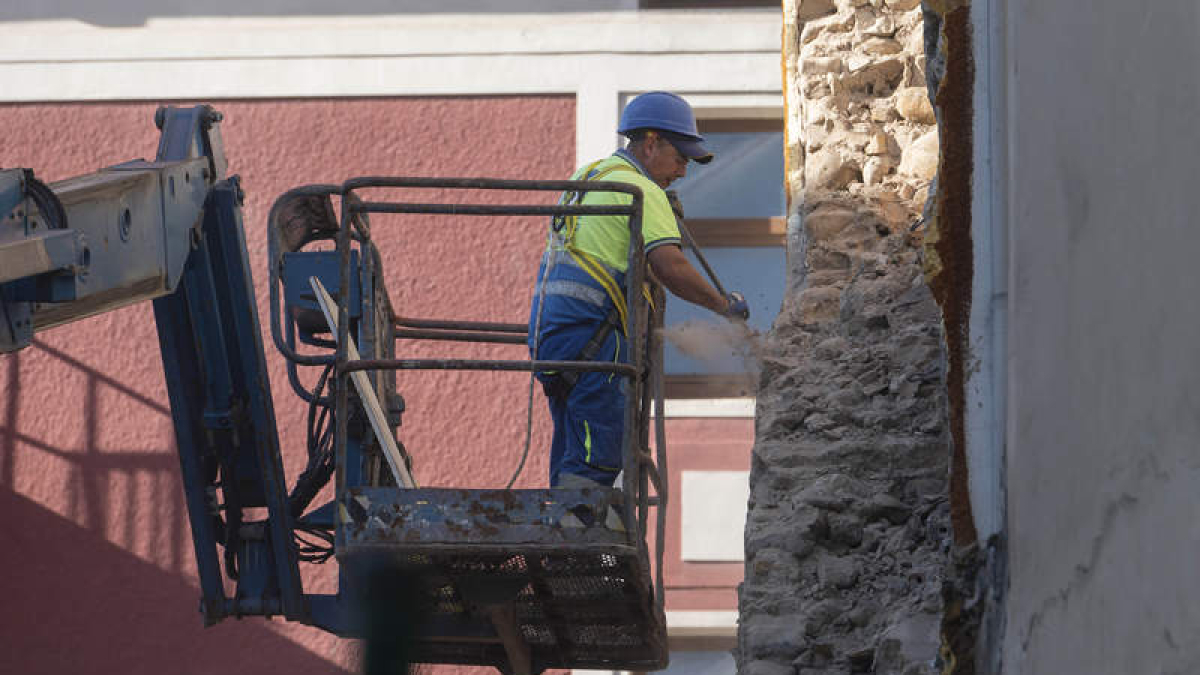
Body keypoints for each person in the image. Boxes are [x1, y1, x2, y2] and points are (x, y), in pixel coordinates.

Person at [528, 91, 750, 489]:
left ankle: (563, 527)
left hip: (552, 336)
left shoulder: (589, 176)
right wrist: (723, 306)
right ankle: (582, 533)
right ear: (651, 143)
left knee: (573, 442)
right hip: (596, 337)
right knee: (598, 450)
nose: (682, 171)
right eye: (680, 157)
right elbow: (672, 267)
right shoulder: (640, 190)